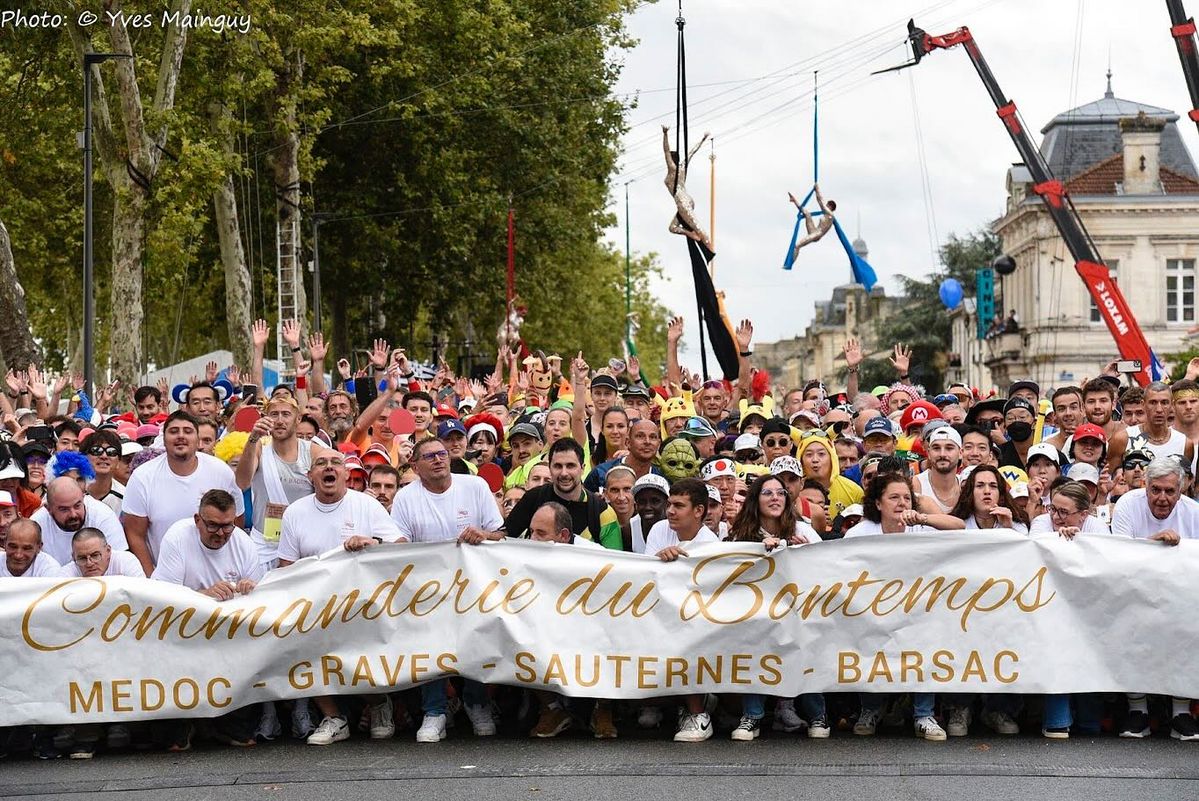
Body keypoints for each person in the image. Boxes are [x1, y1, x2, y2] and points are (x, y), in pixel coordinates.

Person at [277, 448, 406, 746]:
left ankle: (378, 704)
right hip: (313, 606)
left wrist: (372, 542)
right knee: (296, 642)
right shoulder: (295, 512)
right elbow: (285, 566)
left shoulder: (367, 506)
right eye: (320, 463)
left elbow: (400, 544)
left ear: (347, 474)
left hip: (361, 604)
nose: (328, 468)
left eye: (336, 463)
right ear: (310, 476)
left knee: (357, 652)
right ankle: (334, 717)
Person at [388, 437, 504, 742]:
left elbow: (500, 533)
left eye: (442, 454)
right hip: (426, 590)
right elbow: (398, 543)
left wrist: (483, 535)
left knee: (474, 644)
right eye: (429, 456)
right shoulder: (405, 498)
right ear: (415, 465)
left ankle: (477, 703)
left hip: (473, 586)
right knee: (431, 647)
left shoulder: (475, 486)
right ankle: (435, 711)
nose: (439, 460)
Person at [151, 489, 265, 750]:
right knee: (172, 745)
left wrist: (249, 588)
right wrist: (204, 596)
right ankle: (184, 723)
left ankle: (220, 723)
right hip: (180, 631)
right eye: (212, 525)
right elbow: (162, 597)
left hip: (227, 634)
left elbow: (259, 602)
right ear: (197, 520)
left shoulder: (243, 543)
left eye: (227, 526)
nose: (221, 534)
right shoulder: (178, 537)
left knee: (244, 739)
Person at [843, 473, 942, 741]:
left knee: (926, 642)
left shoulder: (920, 529)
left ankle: (924, 714)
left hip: (916, 612)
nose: (901, 503)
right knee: (864, 642)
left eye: (906, 498)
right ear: (878, 503)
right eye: (893, 497)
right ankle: (870, 709)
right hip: (872, 611)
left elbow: (957, 528)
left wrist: (923, 517)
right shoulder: (860, 533)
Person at [726, 475, 826, 740]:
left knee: (806, 651)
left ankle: (818, 715)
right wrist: (757, 550)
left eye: (780, 493)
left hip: (798, 614)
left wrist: (807, 553)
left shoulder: (804, 531)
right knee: (753, 651)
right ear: (755, 500)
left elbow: (827, 566)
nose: (775, 498)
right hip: (756, 616)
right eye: (767, 493)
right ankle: (752, 716)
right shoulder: (739, 535)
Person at [1110, 457, 1199, 740]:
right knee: (1128, 628)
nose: (1162, 498)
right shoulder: (1127, 504)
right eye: (1156, 490)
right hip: (1133, 591)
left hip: (1180, 596)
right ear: (1145, 488)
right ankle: (1138, 711)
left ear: (1181, 490)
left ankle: (1181, 712)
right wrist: (1154, 546)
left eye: (1170, 492)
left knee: (1188, 630)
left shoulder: (1193, 512)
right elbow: (1118, 554)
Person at [122, 410, 244, 575]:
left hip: (217, 576)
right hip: (165, 579)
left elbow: (236, 523)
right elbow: (135, 535)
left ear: (197, 439)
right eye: (173, 431)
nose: (181, 436)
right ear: (163, 440)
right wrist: (152, 579)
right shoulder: (142, 477)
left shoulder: (221, 471)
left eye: (188, 431)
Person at [646, 479, 721, 742]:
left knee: (684, 637)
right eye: (669, 504)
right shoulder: (658, 530)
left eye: (679, 506)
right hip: (660, 610)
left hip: (698, 618)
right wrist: (661, 560)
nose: (670, 511)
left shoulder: (709, 542)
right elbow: (648, 577)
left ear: (698, 511)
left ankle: (698, 714)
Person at [235, 394, 316, 570]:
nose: (279, 420)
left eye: (286, 414)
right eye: (274, 414)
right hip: (263, 547)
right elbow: (242, 482)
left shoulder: (312, 451)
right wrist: (253, 437)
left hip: (301, 546)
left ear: (298, 419)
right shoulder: (258, 447)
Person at [504, 438, 622, 549]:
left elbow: (615, 563)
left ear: (582, 469)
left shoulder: (603, 513)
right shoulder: (533, 498)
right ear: (550, 468)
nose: (564, 473)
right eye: (558, 466)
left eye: (570, 466)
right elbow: (503, 539)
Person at [31, 476, 128, 565]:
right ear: (48, 509)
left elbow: (120, 562)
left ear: (83, 497)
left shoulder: (103, 515)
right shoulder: (36, 524)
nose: (73, 514)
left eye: (77, 506)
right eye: (64, 509)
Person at [58, 527, 145, 577]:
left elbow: (142, 594)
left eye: (95, 555)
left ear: (108, 551)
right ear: (73, 557)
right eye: (82, 558)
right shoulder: (66, 574)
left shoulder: (125, 562)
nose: (89, 563)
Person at [913, 427, 962, 514]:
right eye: (936, 448)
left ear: (961, 453)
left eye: (949, 448)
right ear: (928, 453)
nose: (942, 454)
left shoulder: (965, 484)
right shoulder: (916, 484)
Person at [787, 183, 836, 262]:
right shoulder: (826, 214)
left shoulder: (830, 214)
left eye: (827, 205)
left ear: (830, 207)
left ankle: (790, 263)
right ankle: (794, 200)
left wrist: (817, 189)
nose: (826, 205)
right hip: (814, 230)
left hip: (817, 235)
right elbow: (820, 201)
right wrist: (816, 191)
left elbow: (821, 202)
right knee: (807, 213)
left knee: (797, 245)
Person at [82, 428, 126, 514]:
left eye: (111, 452)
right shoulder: (71, 491)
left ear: (118, 462)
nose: (104, 456)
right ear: (84, 458)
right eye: (96, 450)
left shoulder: (126, 497)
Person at [630, 473, 670, 555]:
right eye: (642, 502)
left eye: (655, 501)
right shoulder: (629, 530)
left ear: (667, 503)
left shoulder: (677, 528)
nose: (648, 507)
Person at [997, 397, 1037, 471]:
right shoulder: (998, 454)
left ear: (1034, 422)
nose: (1016, 421)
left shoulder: (1045, 449)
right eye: (1010, 418)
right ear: (1004, 424)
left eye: (1022, 417)